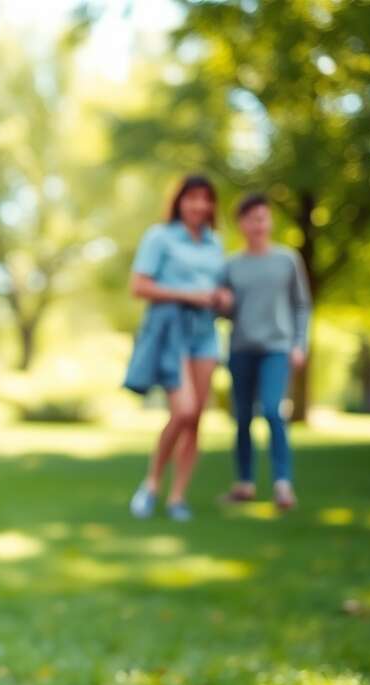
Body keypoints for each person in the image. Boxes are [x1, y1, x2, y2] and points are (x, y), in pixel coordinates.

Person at [123, 174, 230, 522]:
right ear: (179, 201)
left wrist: (221, 298)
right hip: (171, 331)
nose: (199, 205)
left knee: (196, 418)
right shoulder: (160, 237)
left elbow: (218, 288)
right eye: (192, 197)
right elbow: (138, 286)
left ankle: (178, 497)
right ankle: (152, 483)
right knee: (183, 410)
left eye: (205, 198)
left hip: (205, 333)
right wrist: (188, 295)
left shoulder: (215, 243)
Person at [220, 193, 311, 510]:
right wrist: (222, 304)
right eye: (250, 219)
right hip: (241, 349)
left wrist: (299, 344)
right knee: (243, 417)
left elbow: (301, 306)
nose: (257, 225)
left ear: (269, 221)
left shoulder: (287, 260)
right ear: (241, 224)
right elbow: (224, 312)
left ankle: (282, 484)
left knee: (273, 411)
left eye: (262, 218)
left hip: (277, 348)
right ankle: (244, 484)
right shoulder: (231, 265)